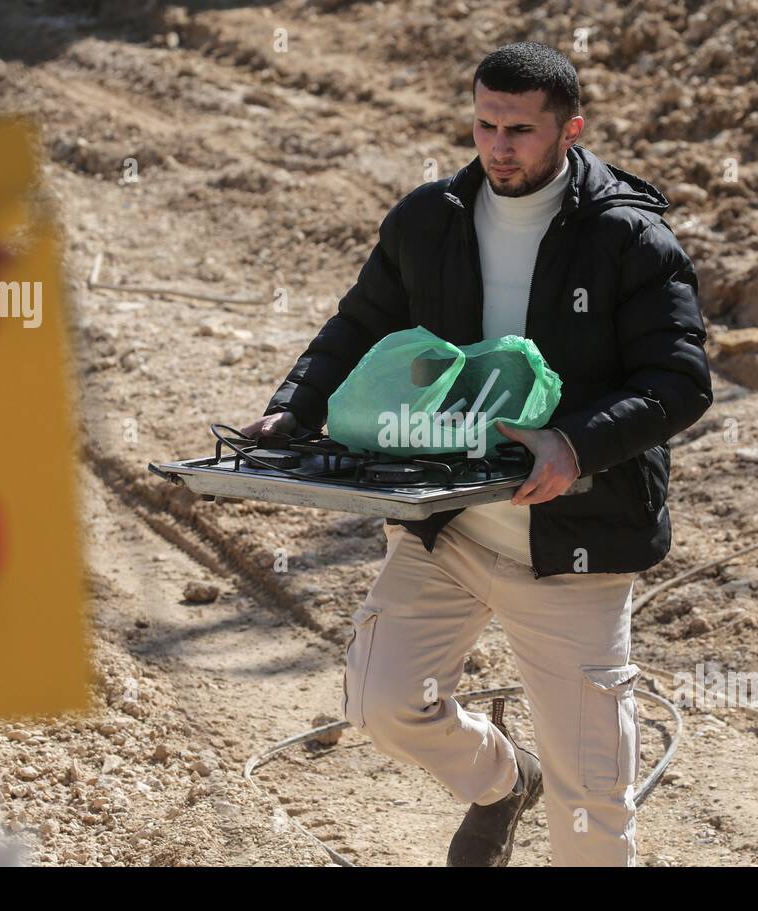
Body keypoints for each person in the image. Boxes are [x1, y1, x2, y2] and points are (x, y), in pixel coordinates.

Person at [242, 41, 712, 866]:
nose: (499, 146)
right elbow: (360, 324)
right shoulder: (430, 220)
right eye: (486, 124)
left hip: (575, 543)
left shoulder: (629, 239)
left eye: (521, 130)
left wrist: (573, 443)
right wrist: (294, 407)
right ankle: (504, 782)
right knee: (383, 705)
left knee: (592, 798)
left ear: (571, 129)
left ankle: (552, 794)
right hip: (446, 524)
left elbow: (679, 381)